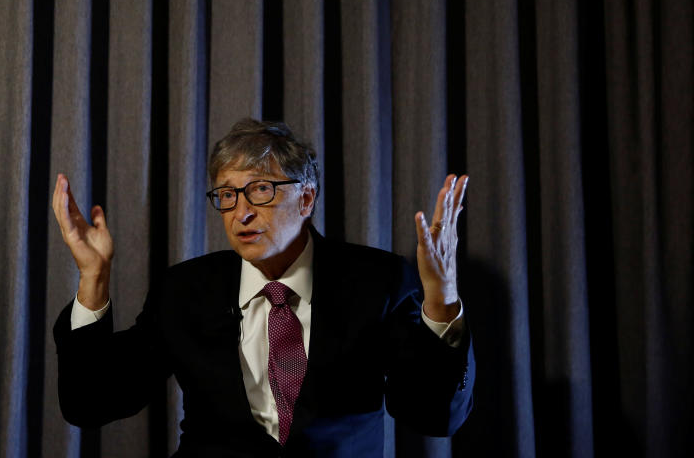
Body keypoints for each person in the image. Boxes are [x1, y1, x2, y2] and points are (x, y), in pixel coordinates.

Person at [52, 118, 474, 457]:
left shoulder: (377, 281)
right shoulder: (184, 290)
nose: (242, 214)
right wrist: (94, 278)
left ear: (306, 200)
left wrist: (441, 300)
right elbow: (93, 402)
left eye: (260, 190)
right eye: (227, 196)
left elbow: (433, 416)